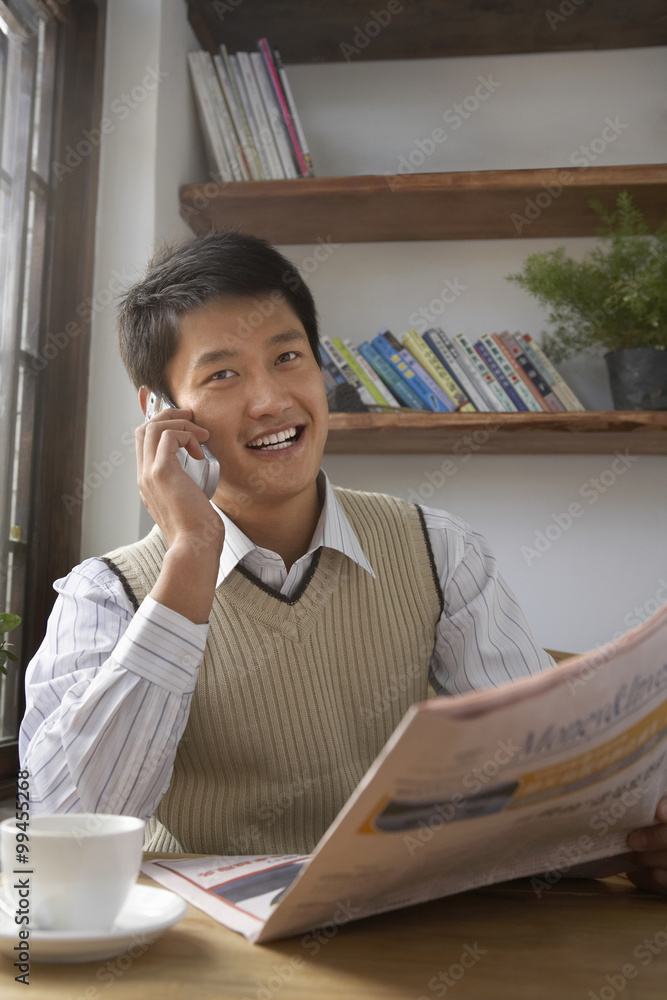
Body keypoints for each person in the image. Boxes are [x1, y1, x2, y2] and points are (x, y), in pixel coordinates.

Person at [19, 232, 667, 892]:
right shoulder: (104, 595)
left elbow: (543, 781)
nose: (271, 400)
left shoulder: (440, 553)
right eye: (222, 374)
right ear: (159, 413)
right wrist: (190, 557)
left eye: (288, 357)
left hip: (407, 941)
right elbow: (58, 832)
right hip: (201, 962)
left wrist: (631, 838)